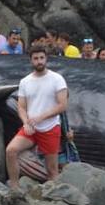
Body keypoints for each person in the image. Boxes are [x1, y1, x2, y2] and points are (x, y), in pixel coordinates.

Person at [5, 45, 68, 187]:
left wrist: (42, 117)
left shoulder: (57, 79)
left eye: (41, 58)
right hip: (31, 128)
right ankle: (14, 189)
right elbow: (21, 106)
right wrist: (26, 122)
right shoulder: (25, 81)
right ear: (31, 61)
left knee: (52, 170)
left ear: (46, 59)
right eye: (35, 58)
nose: (39, 61)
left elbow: (62, 105)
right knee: (11, 150)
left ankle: (56, 198)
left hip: (50, 127)